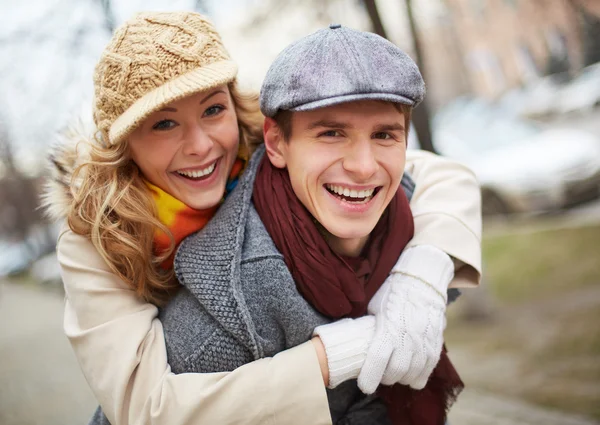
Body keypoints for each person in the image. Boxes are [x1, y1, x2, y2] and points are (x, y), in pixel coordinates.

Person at [45, 11, 481, 425]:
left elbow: (431, 172)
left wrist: (422, 272)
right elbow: (146, 409)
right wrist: (339, 353)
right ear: (125, 144)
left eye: (213, 110)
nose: (201, 146)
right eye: (164, 124)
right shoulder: (97, 239)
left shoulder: (262, 149)